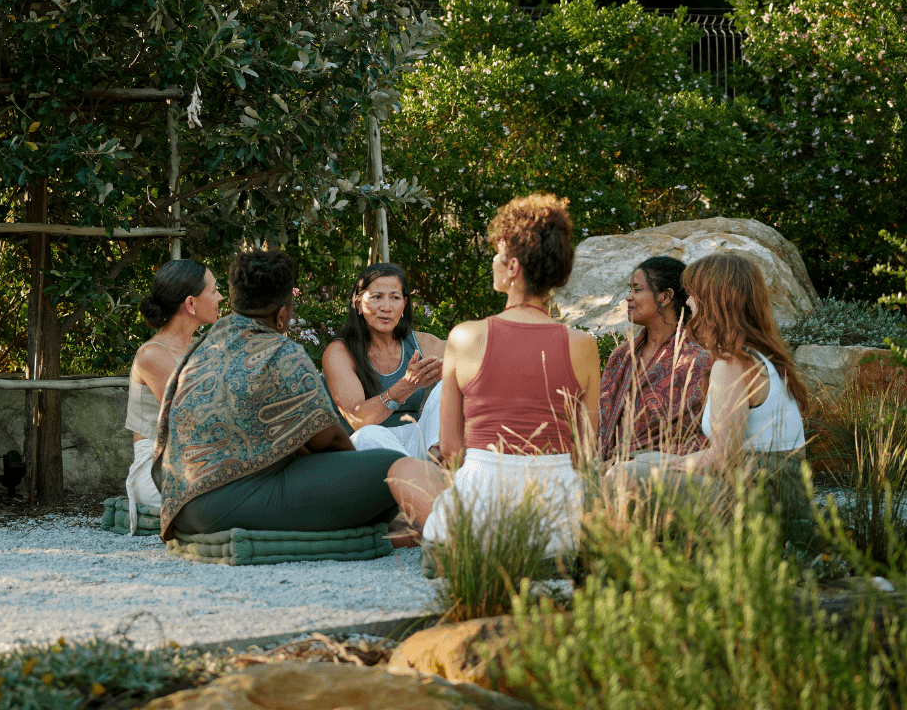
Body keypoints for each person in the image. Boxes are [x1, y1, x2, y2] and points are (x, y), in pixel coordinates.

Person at [154, 250, 439, 545]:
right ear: (282, 314)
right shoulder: (282, 353)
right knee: (393, 466)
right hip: (229, 506)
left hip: (181, 510)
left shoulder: (202, 348)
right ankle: (451, 534)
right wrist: (356, 473)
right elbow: (328, 440)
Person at [425, 194, 601, 558]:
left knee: (404, 472)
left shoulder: (465, 336)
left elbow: (451, 449)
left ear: (513, 267)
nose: (493, 261)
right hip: (557, 524)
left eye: (498, 253)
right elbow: (585, 452)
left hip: (479, 518)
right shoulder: (583, 345)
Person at [623, 250, 807, 482]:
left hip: (758, 493)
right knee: (641, 461)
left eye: (693, 294)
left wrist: (663, 463)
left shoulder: (732, 364)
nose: (688, 302)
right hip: (772, 486)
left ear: (714, 301)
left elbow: (722, 459)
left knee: (623, 475)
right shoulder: (757, 355)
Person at [118, 259, 222, 533]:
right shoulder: (153, 355)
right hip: (159, 467)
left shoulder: (205, 347)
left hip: (205, 457)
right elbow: (195, 418)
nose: (220, 297)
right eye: (214, 290)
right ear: (191, 303)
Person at [321, 262, 445, 463]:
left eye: (395, 298)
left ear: (404, 304)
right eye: (377, 297)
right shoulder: (339, 353)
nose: (386, 308)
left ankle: (438, 464)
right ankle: (421, 476)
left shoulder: (423, 343)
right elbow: (358, 420)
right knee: (368, 434)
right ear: (358, 303)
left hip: (416, 440)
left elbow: (475, 360)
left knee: (446, 387)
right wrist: (406, 385)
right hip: (369, 449)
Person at [597, 256, 711, 464]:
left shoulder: (698, 360)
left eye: (637, 289)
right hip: (602, 468)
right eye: (630, 290)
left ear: (665, 296)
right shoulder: (621, 356)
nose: (629, 297)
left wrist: (633, 461)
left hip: (663, 473)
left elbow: (702, 436)